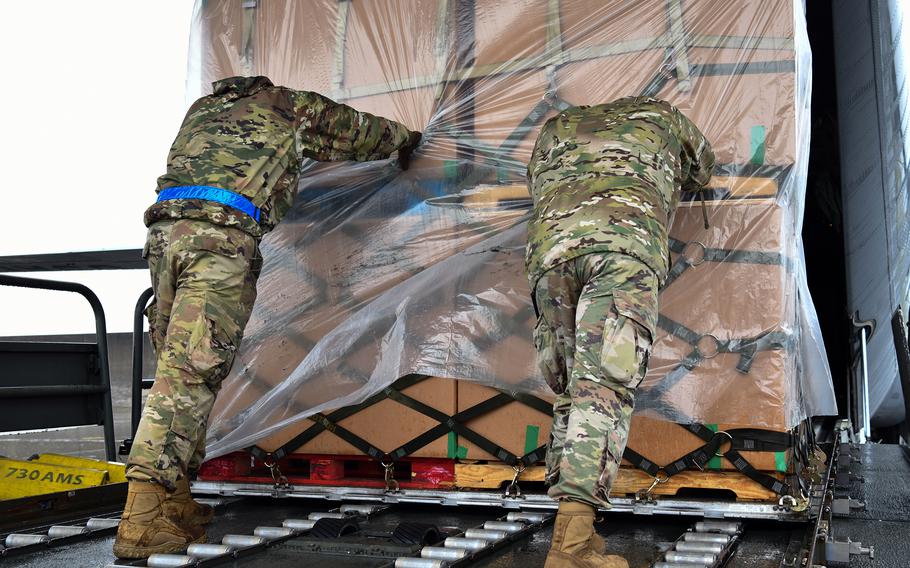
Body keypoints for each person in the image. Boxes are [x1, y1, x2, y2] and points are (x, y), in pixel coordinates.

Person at [113, 75, 422, 559]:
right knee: (190, 375)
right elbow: (359, 132)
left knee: (180, 370)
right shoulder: (286, 105)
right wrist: (408, 141)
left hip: (166, 237)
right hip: (218, 240)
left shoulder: (202, 109)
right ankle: (140, 517)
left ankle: (174, 502)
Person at [526, 97, 714, 568]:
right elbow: (703, 167)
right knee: (602, 389)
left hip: (551, 252)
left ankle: (574, 536)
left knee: (572, 388)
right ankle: (569, 549)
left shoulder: (555, 128)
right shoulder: (662, 115)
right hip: (623, 247)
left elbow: (536, 183)